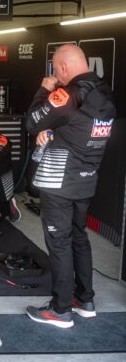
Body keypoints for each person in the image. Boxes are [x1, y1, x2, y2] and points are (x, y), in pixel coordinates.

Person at [24, 44, 116, 328]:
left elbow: (32, 122)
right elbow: (76, 125)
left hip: (60, 182)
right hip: (87, 179)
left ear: (63, 67)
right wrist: (52, 131)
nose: (57, 75)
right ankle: (84, 300)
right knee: (78, 237)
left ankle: (60, 309)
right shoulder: (103, 91)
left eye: (56, 69)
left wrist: (43, 90)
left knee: (59, 243)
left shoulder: (67, 94)